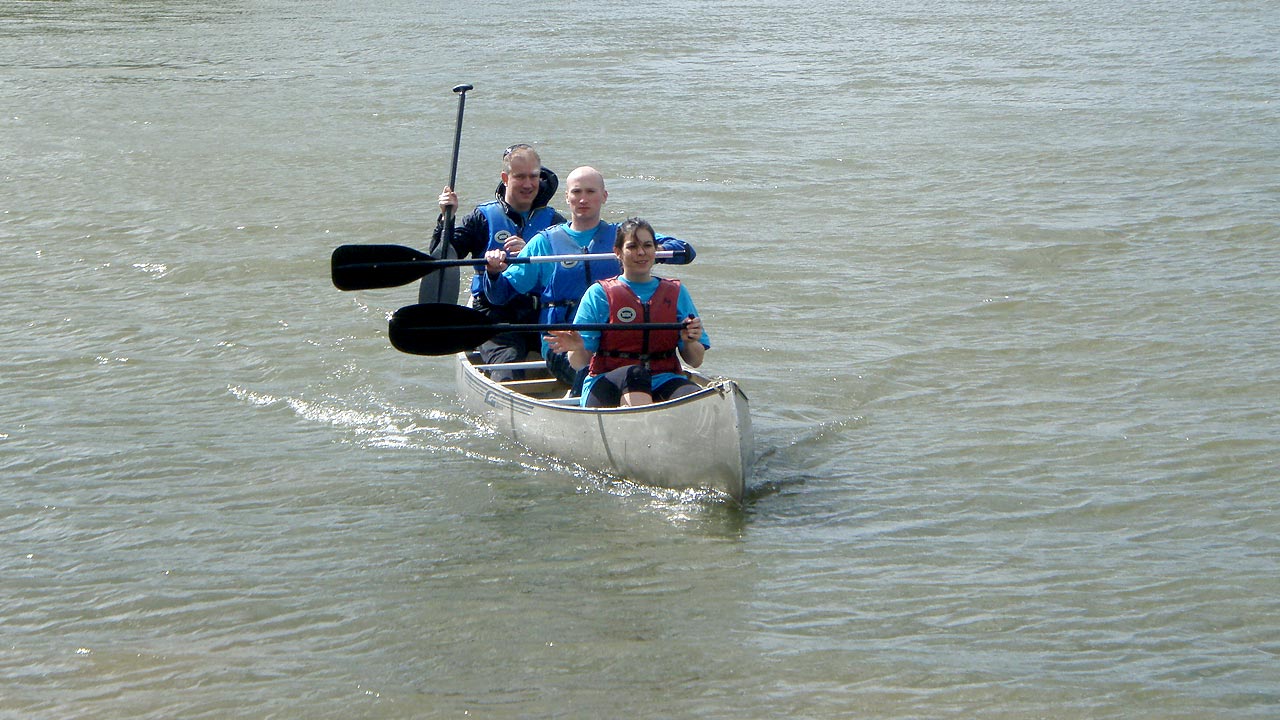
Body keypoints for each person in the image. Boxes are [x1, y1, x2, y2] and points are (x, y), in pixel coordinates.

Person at [481, 166, 696, 390]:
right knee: (598, 374)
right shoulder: (544, 243)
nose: (583, 199)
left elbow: (684, 251)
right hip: (566, 345)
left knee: (640, 372)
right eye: (576, 192)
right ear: (567, 197)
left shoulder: (625, 238)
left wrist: (650, 251)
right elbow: (499, 295)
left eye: (591, 192)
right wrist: (493, 272)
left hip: (620, 340)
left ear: (604, 196)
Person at [421, 144, 567, 381]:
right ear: (505, 178)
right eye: (520, 177)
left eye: (533, 177)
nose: (528, 184)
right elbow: (444, 257)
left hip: (540, 313)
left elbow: (566, 272)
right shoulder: (483, 217)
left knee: (573, 359)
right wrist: (446, 217)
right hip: (494, 315)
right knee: (508, 361)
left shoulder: (555, 222)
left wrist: (530, 253)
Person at [544, 217, 708, 408]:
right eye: (632, 247)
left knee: (695, 398)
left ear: (656, 251)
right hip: (607, 381)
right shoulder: (598, 294)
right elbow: (578, 363)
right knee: (635, 374)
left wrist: (690, 342)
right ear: (618, 253)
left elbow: (695, 360)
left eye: (647, 245)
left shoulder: (677, 292)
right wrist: (578, 347)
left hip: (663, 378)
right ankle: (639, 429)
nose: (641, 252)